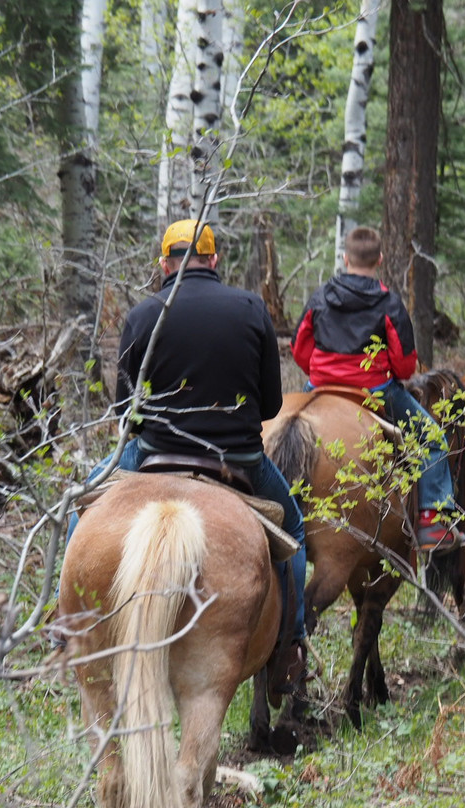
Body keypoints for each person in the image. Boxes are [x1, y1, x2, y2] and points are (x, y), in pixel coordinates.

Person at [69, 219, 307, 687]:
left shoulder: (143, 314)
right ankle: (291, 644)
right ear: (214, 261)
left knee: (80, 507)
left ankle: (68, 627)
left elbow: (124, 411)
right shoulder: (251, 308)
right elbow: (273, 405)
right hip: (237, 461)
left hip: (153, 454)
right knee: (294, 526)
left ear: (164, 263)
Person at [291, 226, 465, 553]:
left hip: (320, 386)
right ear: (380, 260)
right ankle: (430, 520)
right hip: (373, 392)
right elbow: (405, 364)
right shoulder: (389, 302)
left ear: (345, 258)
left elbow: (300, 348)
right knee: (431, 439)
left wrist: (320, 372)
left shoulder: (320, 297)